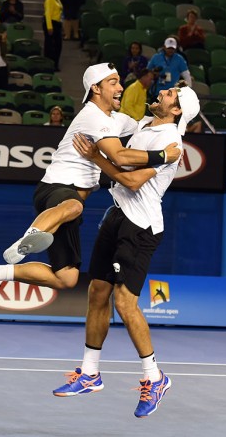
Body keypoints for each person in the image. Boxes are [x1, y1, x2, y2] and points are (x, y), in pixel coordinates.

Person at [0, 63, 182, 303]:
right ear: (96, 89)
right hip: (57, 188)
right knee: (75, 207)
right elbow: (120, 156)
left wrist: (174, 128)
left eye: (119, 82)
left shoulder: (115, 119)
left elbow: (145, 125)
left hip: (67, 204)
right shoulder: (93, 116)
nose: (120, 87)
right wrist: (164, 156)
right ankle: (27, 239)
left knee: (66, 278)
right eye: (113, 83)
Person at [50, 85, 200, 419]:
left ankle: (155, 377)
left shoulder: (170, 144)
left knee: (124, 302)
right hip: (117, 215)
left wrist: (95, 158)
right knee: (97, 291)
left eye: (170, 94)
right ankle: (89, 373)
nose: (163, 91)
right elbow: (121, 173)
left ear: (176, 110)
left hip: (141, 226)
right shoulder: (146, 125)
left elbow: (132, 182)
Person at [43, 0, 64, 71]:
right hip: (51, 23)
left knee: (58, 45)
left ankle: (55, 63)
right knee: (50, 45)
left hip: (57, 23)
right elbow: (48, 14)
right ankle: (49, 64)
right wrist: (49, 27)